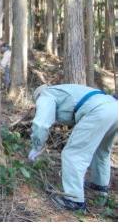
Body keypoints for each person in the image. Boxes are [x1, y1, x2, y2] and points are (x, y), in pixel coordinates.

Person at [29, 84, 118, 212]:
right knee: (102, 151)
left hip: (98, 111)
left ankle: (74, 201)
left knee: (73, 154)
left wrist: (36, 146)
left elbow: (41, 124)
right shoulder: (62, 90)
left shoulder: (45, 95)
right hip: (114, 108)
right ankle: (99, 188)